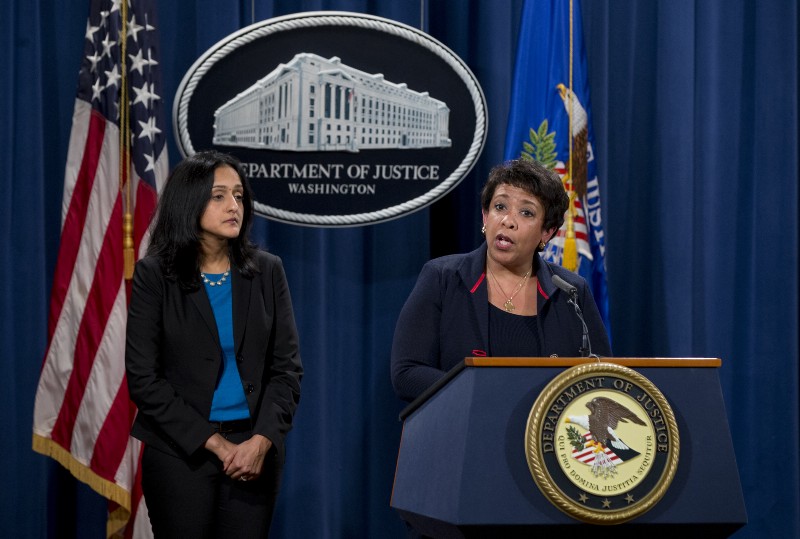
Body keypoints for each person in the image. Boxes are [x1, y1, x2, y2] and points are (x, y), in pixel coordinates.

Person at [125, 150, 303, 537]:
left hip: (254, 454)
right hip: (180, 453)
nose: (233, 206)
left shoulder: (267, 271)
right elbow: (144, 379)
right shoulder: (155, 275)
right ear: (190, 202)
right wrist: (218, 446)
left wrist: (261, 441)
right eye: (219, 195)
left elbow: (286, 371)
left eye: (238, 195)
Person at [391, 158, 611, 402]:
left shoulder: (570, 292)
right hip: (462, 433)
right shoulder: (443, 278)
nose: (508, 220)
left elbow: (601, 380)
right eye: (500, 207)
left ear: (546, 232)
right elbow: (407, 373)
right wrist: (483, 394)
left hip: (542, 437)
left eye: (526, 212)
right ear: (486, 217)